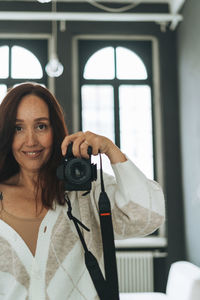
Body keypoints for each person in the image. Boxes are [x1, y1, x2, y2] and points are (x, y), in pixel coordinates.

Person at [0, 82, 165, 300]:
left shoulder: (85, 190)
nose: (31, 140)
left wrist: (110, 150)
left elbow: (148, 216)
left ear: (55, 130)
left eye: (41, 126)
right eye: (18, 128)